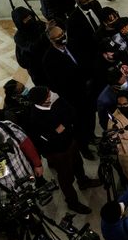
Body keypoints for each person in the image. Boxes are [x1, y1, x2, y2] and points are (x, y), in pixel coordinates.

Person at [28, 86, 99, 214]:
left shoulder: (56, 100)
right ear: (41, 101)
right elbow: (46, 138)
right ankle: (72, 202)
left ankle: (83, 181)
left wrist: (62, 127)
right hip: (57, 152)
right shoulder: (35, 116)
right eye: (48, 95)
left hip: (70, 142)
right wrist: (60, 129)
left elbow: (72, 113)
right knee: (66, 177)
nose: (51, 95)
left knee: (78, 164)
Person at [42, 24, 96, 159]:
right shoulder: (49, 59)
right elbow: (56, 84)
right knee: (79, 123)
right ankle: (83, 147)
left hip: (87, 90)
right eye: (58, 37)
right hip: (72, 97)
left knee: (90, 116)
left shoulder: (72, 44)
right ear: (51, 40)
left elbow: (84, 60)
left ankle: (91, 136)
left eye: (62, 34)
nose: (62, 38)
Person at [12, 7, 50, 86]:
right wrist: (44, 35)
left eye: (29, 17)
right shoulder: (19, 37)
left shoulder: (38, 24)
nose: (29, 20)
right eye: (25, 19)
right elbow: (31, 48)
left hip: (49, 60)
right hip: (36, 67)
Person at [67, 0, 104, 69]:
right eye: (86, 2)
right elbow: (77, 42)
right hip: (93, 50)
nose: (90, 2)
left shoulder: (96, 4)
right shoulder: (73, 20)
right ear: (79, 4)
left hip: (105, 40)